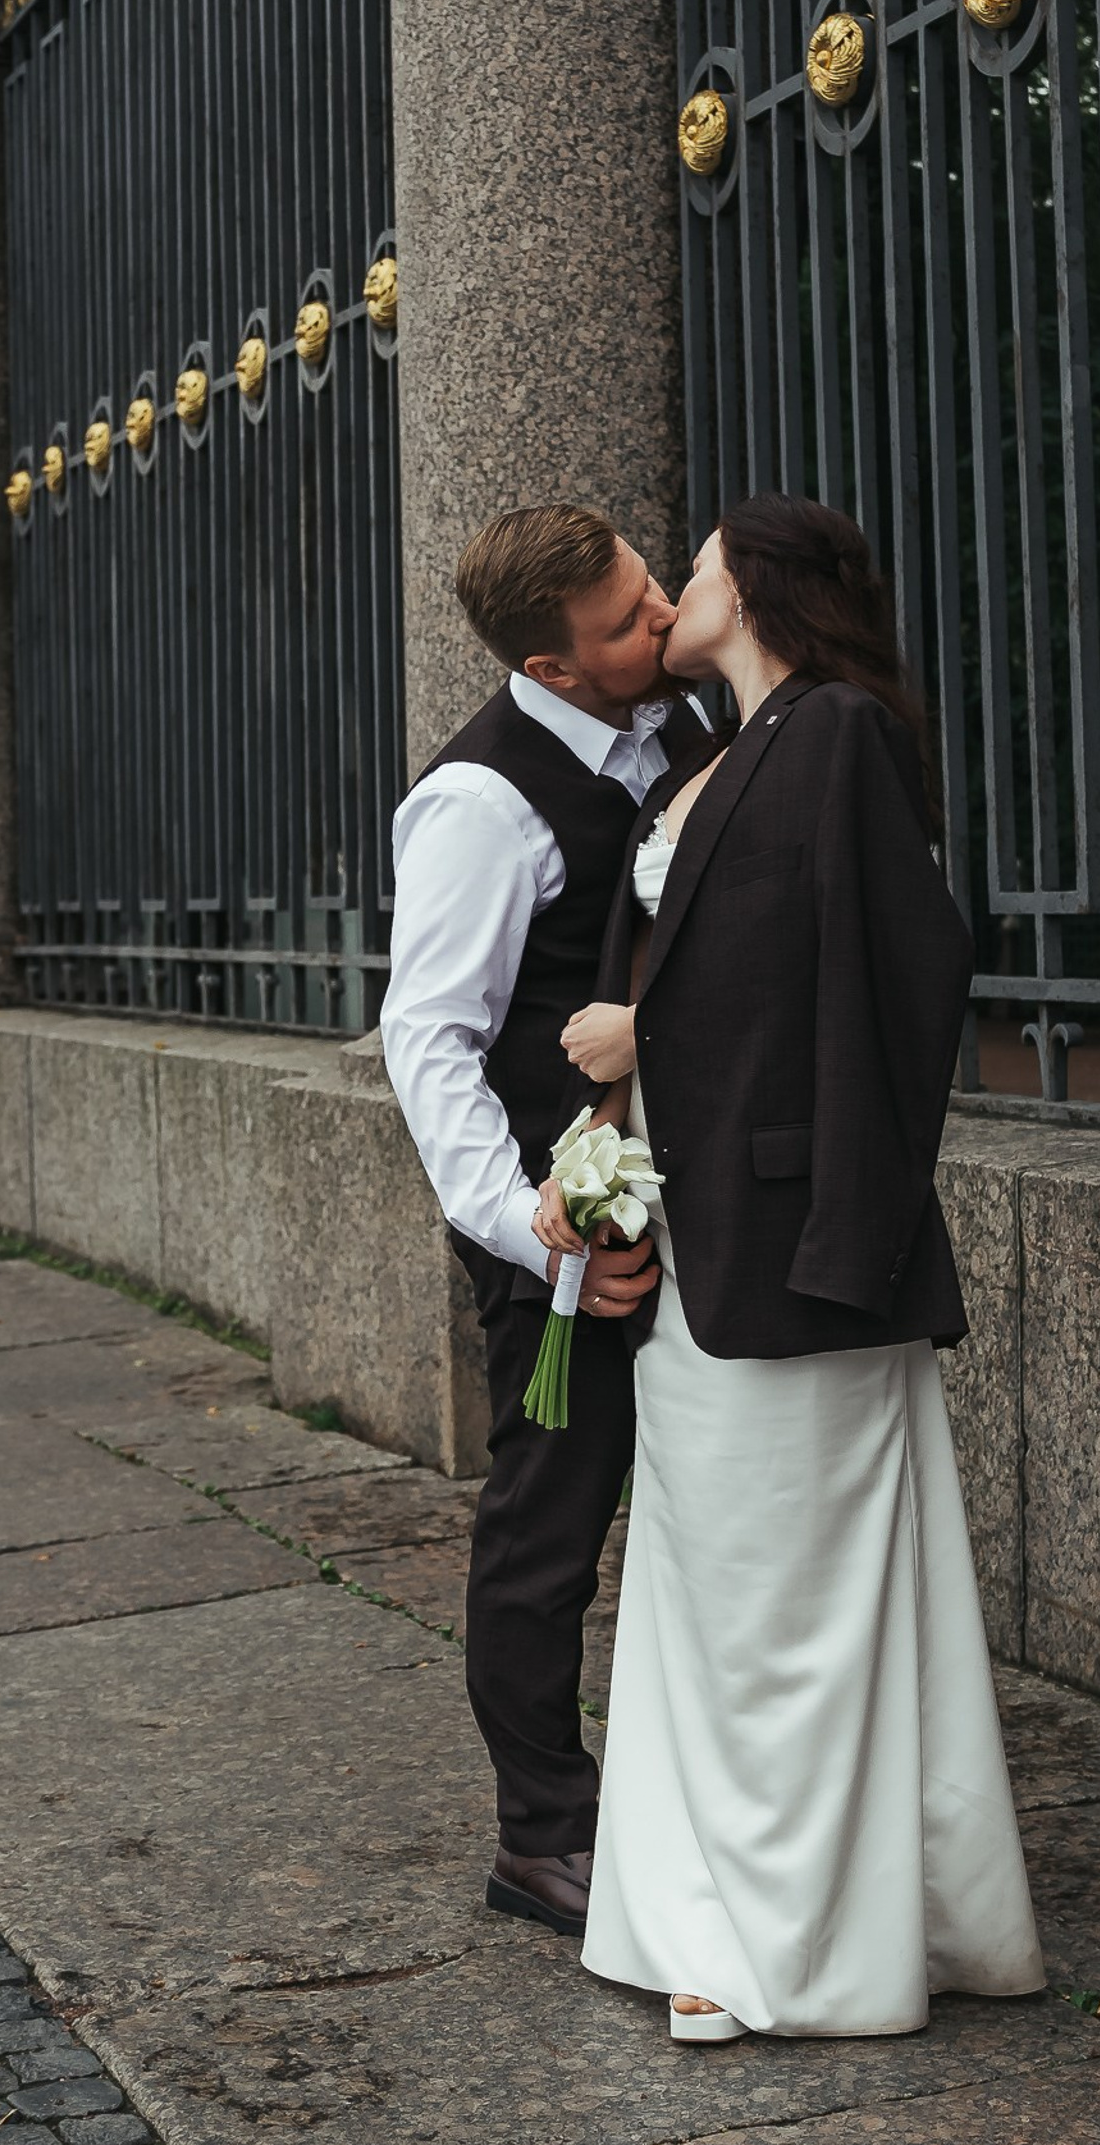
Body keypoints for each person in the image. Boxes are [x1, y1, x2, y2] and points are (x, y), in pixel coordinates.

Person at [541, 495, 1042, 2043]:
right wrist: (601, 1160)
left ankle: (787, 1957)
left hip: (804, 1252)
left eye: (688, 567)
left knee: (786, 1611)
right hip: (706, 1247)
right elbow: (736, 979)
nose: (671, 588)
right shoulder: (720, 757)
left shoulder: (837, 734)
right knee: (711, 1593)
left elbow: (903, 978)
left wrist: (650, 1046)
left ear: (754, 584)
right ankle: (718, 1909)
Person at [378, 505, 710, 1942]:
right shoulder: (480, 804)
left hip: (704, 1200)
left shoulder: (688, 714)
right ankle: (541, 1834)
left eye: (653, 591)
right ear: (552, 667)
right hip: (567, 1227)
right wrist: (534, 1229)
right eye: (630, 623)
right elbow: (429, 1039)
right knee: (549, 1527)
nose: (662, 625)